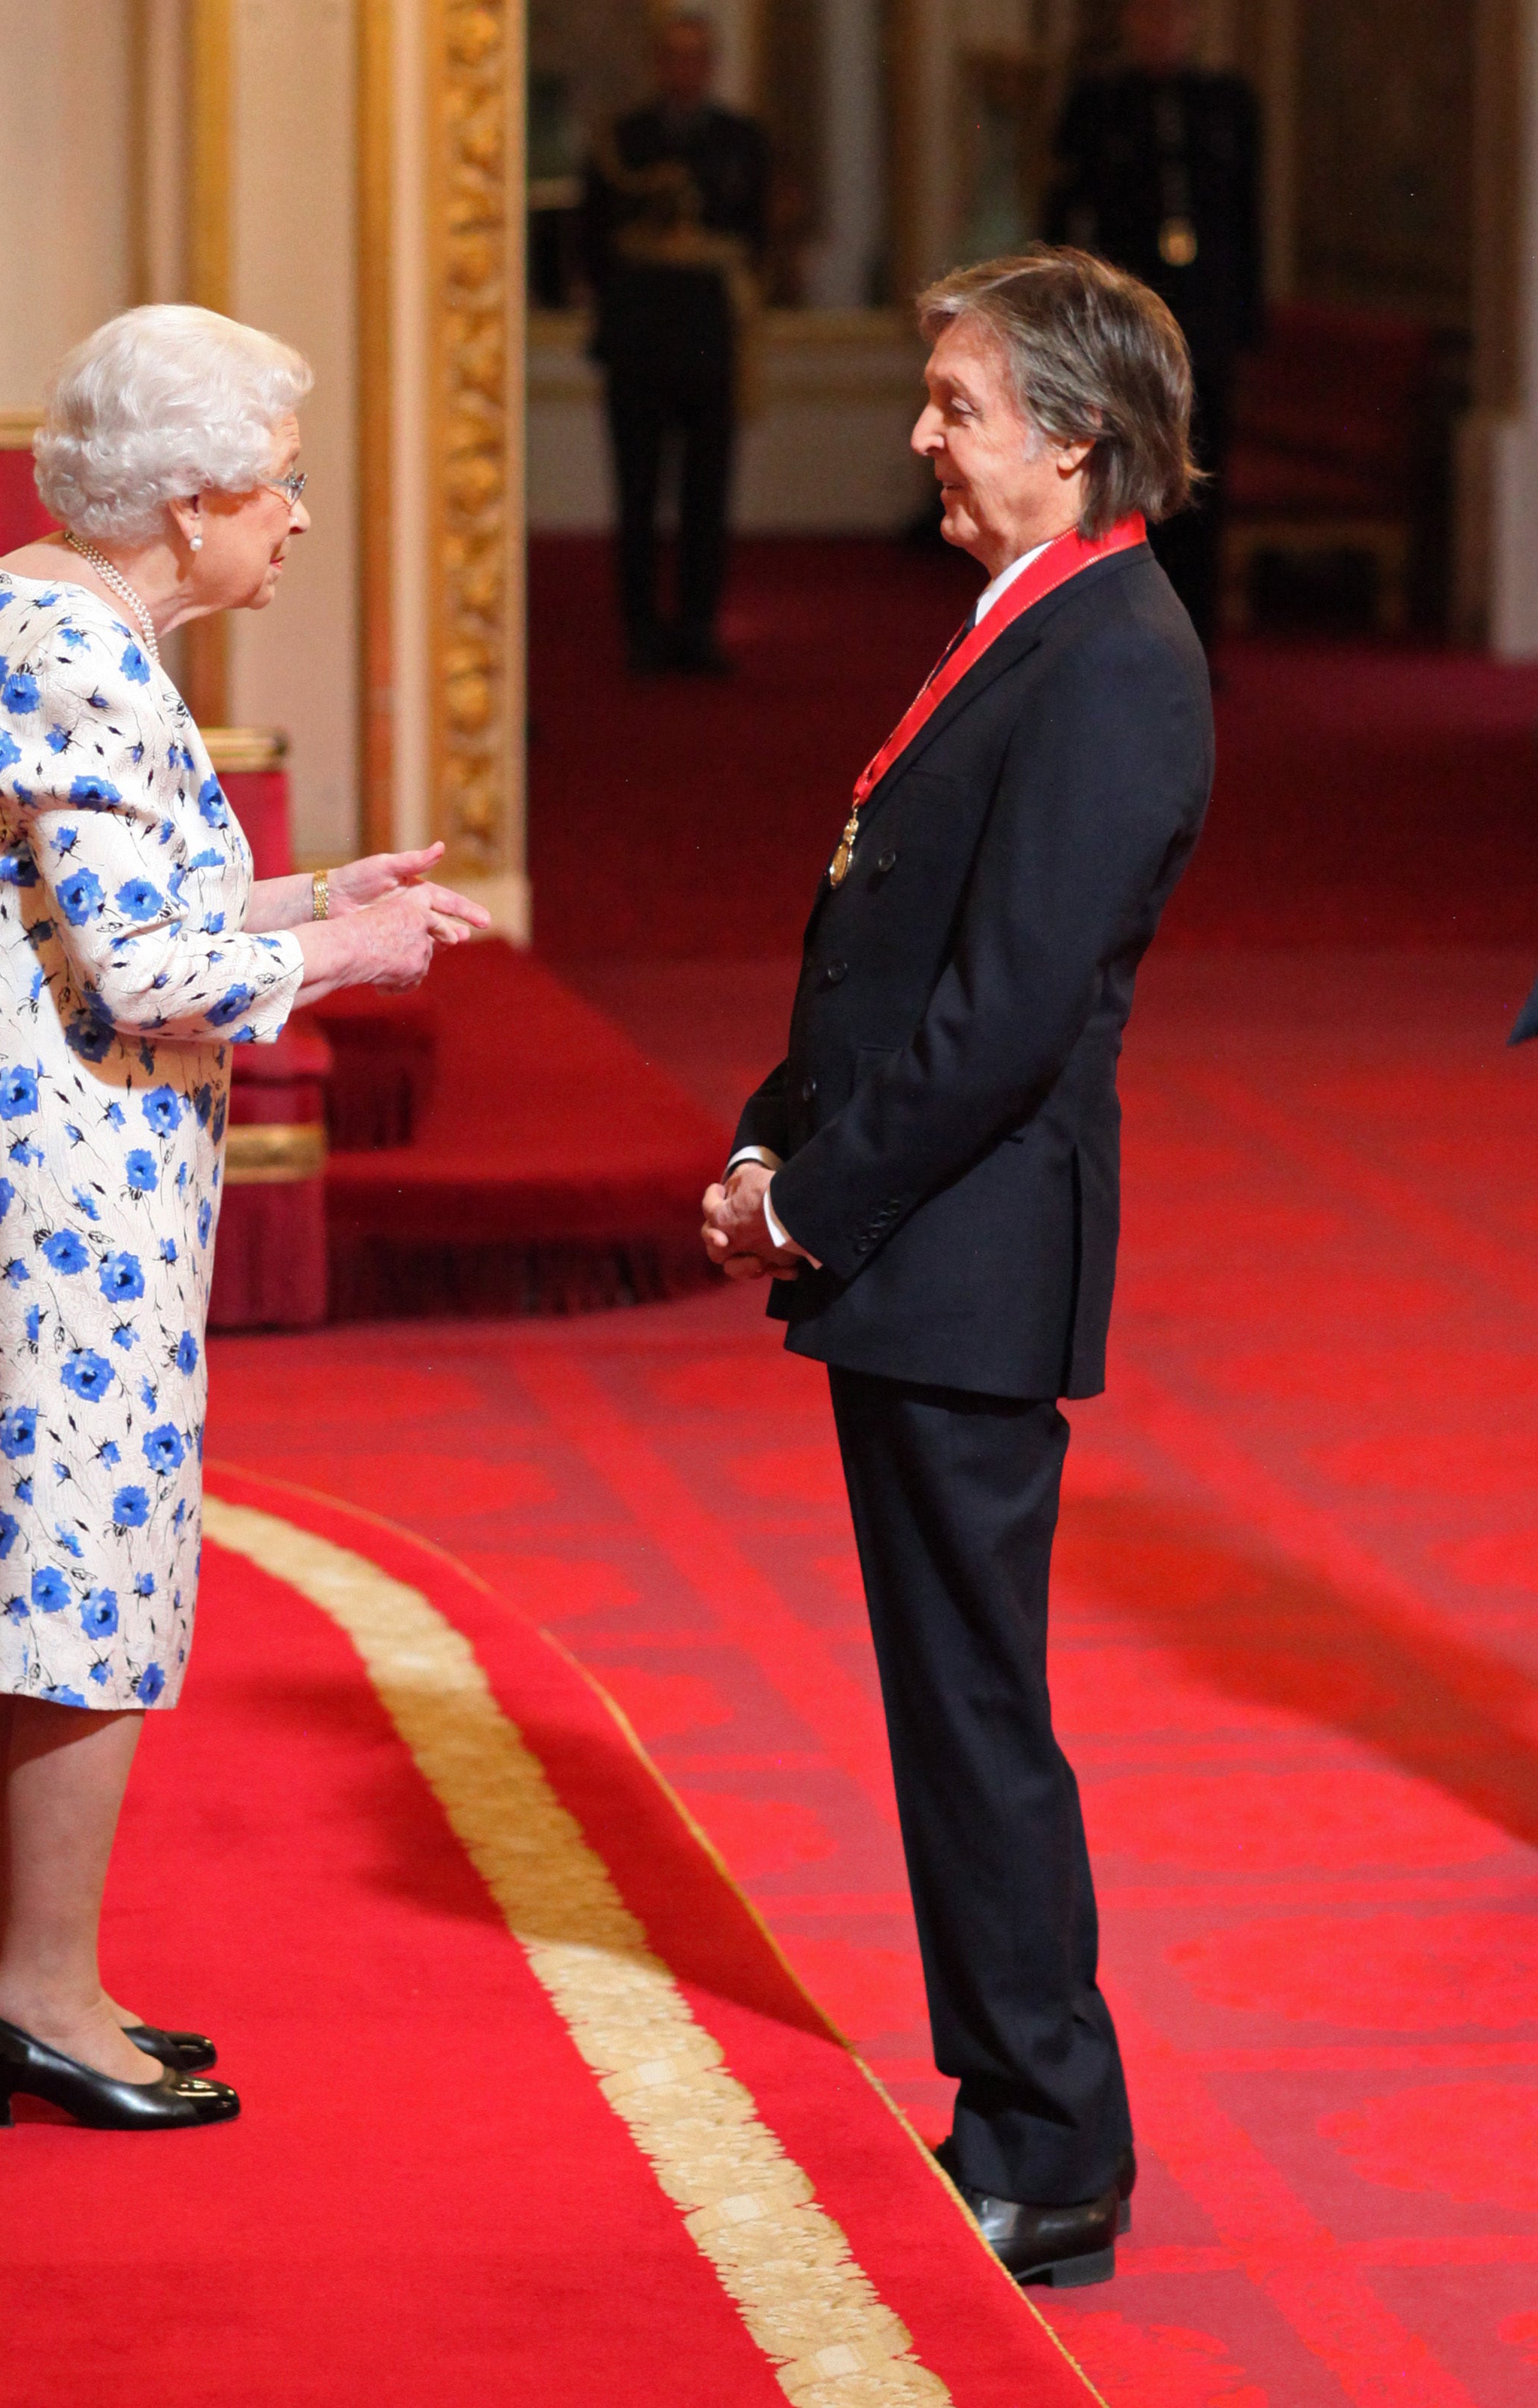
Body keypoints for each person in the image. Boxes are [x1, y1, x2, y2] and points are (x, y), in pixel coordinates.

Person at [0, 305, 490, 2131]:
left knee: (61, 1571)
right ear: (188, 506)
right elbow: (139, 967)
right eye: (277, 489)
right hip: (50, 1194)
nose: (292, 519)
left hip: (26, 1169)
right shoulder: (77, 653)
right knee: (77, 1582)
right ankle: (41, 1998)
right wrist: (344, 955)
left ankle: (36, 1975)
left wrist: (311, 889)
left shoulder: (29, 609)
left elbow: (115, 889)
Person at [701, 248, 1212, 2285]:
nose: (921, 433)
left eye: (957, 405)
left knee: (975, 1710)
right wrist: (771, 1129)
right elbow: (886, 940)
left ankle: (1052, 2140)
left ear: (1072, 443)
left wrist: (815, 1201)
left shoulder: (1117, 653)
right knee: (948, 1700)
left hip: (966, 1252)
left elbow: (1004, 1015)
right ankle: (1015, 2097)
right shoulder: (1038, 617)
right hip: (926, 1236)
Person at [1045, 0, 1262, 648]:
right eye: (1149, 16)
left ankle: (1195, 635)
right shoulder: (1096, 104)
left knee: (1199, 479)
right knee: (1128, 474)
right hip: (1128, 324)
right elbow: (1064, 213)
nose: (1161, 29)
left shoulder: (1228, 104)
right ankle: (1127, 632)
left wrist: (1244, 321)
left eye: (1174, 17)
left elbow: (1246, 219)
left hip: (1204, 321)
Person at [580, 6, 768, 675]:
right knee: (635, 493)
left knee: (705, 492)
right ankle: (639, 630)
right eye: (673, 55)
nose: (684, 68)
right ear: (658, 64)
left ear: (709, 65)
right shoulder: (622, 141)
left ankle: (697, 628)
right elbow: (592, 240)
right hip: (637, 336)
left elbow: (756, 237)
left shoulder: (740, 139)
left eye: (696, 55)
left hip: (708, 339)